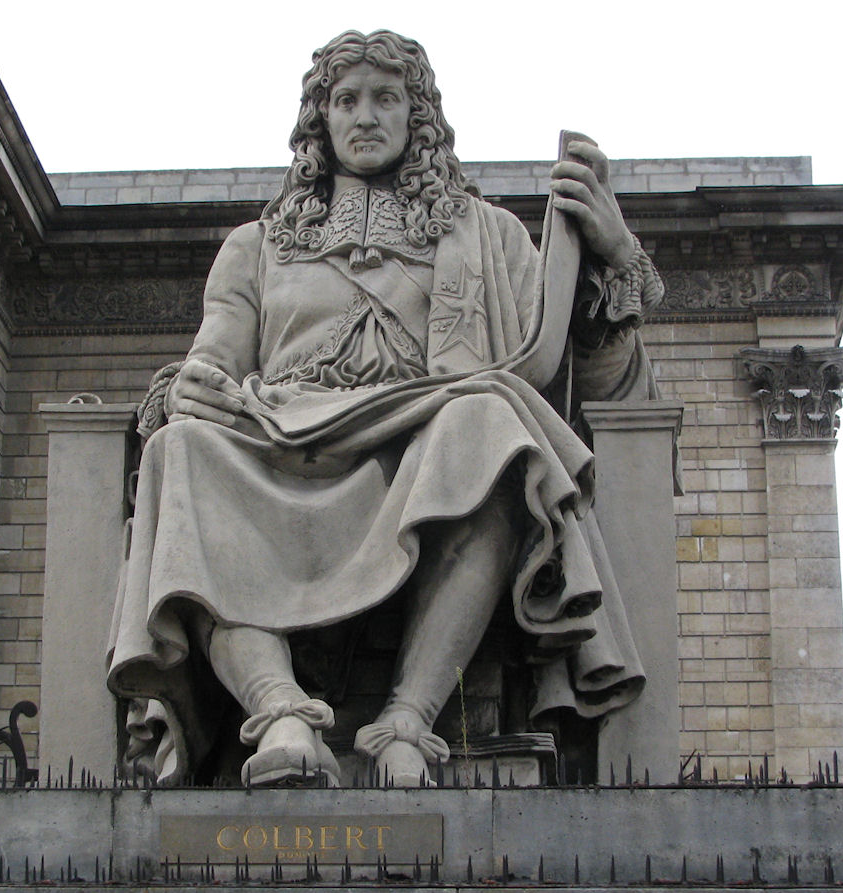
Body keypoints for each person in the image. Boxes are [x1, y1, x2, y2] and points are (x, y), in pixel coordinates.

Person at [108, 29, 663, 787]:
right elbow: (215, 361)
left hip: (426, 444)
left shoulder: (489, 236)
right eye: (346, 100)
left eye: (386, 98)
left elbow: (580, 383)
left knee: (491, 422)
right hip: (286, 444)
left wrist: (614, 255)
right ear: (322, 120)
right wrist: (184, 389)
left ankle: (408, 720)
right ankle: (279, 713)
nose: (365, 116)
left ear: (417, 116)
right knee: (179, 446)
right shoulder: (257, 247)